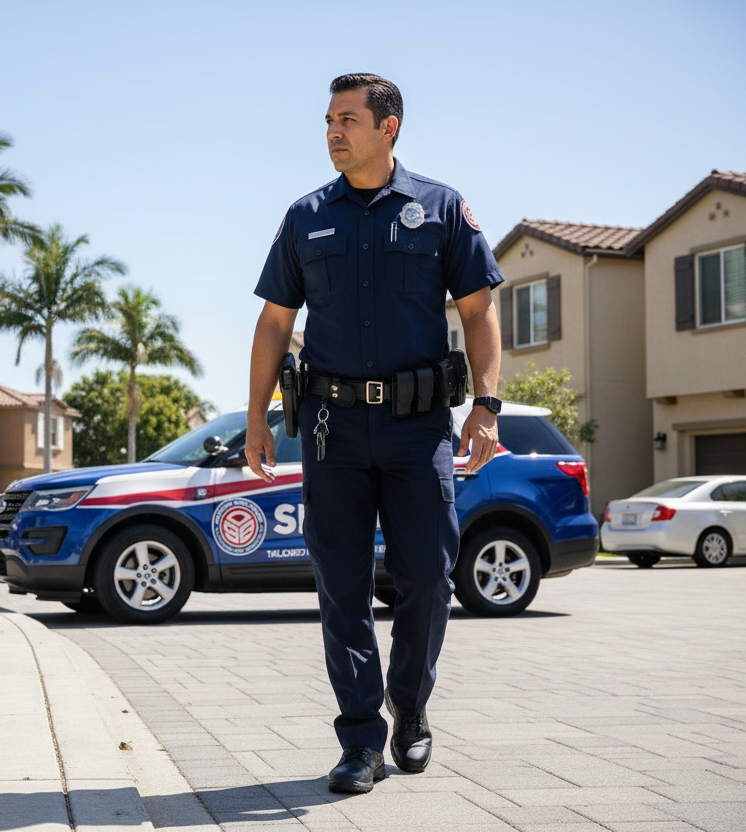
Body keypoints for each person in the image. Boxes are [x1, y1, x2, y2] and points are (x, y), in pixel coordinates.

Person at [245, 73, 503, 794]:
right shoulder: (305, 217)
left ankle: (410, 709)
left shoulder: (441, 208)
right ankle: (360, 741)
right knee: (341, 588)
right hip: (330, 430)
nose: (333, 131)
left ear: (388, 128)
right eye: (328, 120)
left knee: (427, 576)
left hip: (419, 430)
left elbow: (479, 310)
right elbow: (273, 323)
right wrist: (258, 419)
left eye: (348, 119)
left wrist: (487, 404)